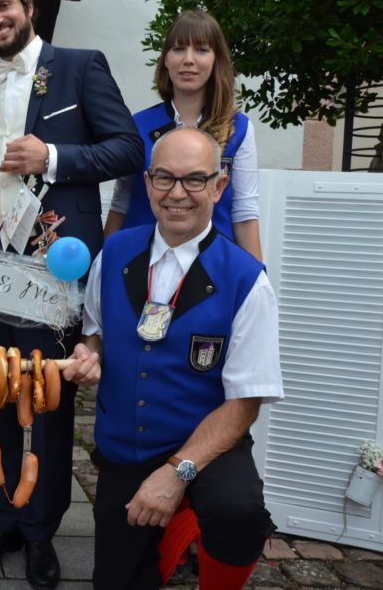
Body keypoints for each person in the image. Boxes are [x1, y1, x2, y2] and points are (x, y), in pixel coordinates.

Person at [0, 0, 144, 589]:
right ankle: (1, 521)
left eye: (3, 6)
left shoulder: (81, 66)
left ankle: (41, 532)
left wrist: (53, 157)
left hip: (52, 266)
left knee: (48, 402)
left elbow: (129, 148)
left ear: (27, 4)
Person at [64, 127, 283, 589]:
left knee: (239, 513)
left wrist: (177, 474)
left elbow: (245, 403)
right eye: (164, 177)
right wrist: (89, 353)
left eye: (194, 179)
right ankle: (171, 540)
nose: (177, 193)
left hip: (207, 444)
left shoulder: (248, 280)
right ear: (147, 184)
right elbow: (94, 332)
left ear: (219, 186)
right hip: (126, 447)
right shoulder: (114, 252)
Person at [104, 10, 263, 261]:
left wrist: (256, 276)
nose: (188, 60)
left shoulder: (239, 129)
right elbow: (121, 203)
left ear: (216, 60)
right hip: (141, 262)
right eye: (178, 49)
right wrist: (105, 262)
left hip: (212, 265)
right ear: (166, 59)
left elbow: (244, 212)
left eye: (201, 49)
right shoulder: (137, 125)